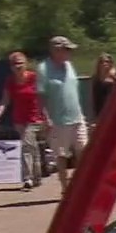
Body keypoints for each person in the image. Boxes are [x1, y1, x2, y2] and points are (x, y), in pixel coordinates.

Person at [36, 35, 88, 193]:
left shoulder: (69, 65)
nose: (69, 53)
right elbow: (40, 96)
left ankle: (82, 184)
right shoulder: (44, 69)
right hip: (58, 120)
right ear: (56, 50)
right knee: (61, 155)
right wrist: (46, 118)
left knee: (84, 150)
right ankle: (65, 188)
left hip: (77, 116)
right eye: (67, 50)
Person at [0, 51, 46, 190]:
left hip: (34, 117)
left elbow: (42, 97)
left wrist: (46, 115)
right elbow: (5, 99)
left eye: (21, 63)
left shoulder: (34, 78)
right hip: (19, 119)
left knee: (27, 146)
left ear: (26, 64)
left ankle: (28, 178)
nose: (18, 66)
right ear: (11, 66)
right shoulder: (10, 81)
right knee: (31, 147)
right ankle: (37, 177)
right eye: (15, 64)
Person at [89, 52, 116, 122]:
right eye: (102, 62)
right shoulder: (96, 78)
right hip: (101, 110)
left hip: (114, 109)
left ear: (111, 63)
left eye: (107, 62)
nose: (104, 64)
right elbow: (95, 98)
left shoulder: (115, 77)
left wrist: (113, 76)